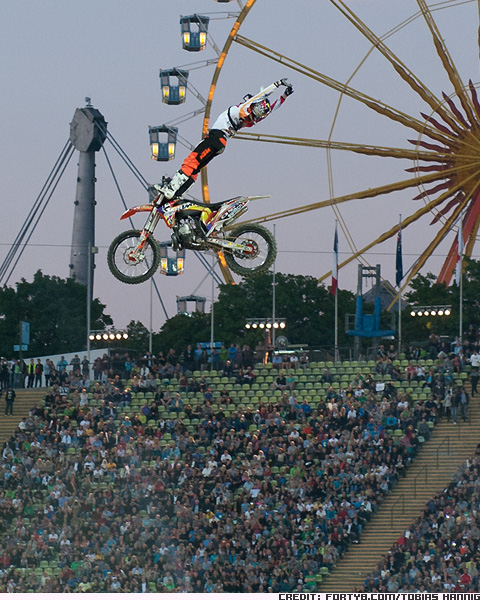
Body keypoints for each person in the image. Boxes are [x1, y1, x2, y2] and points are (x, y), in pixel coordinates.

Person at [152, 79, 294, 203]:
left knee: (191, 161)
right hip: (221, 143)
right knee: (196, 169)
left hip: (215, 137)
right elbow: (272, 109)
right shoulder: (250, 121)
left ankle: (171, 190)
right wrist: (284, 95)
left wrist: (278, 84)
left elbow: (262, 95)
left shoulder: (242, 110)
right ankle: (179, 194)